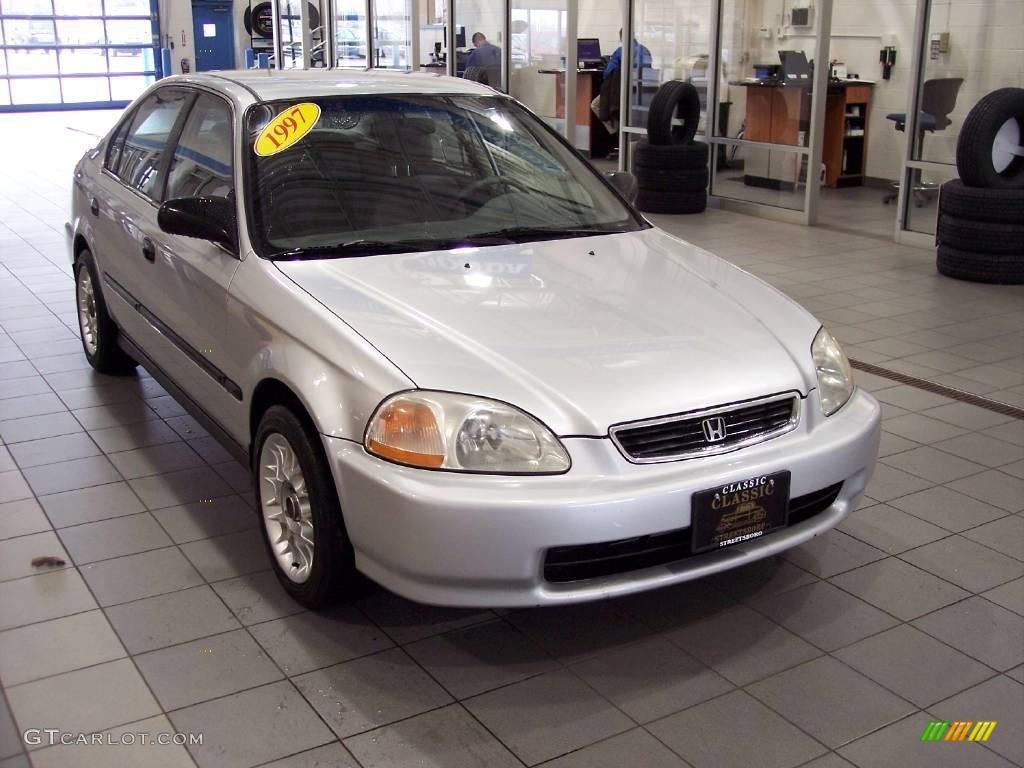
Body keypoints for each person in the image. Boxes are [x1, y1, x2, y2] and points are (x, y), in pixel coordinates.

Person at [591, 29, 653, 134]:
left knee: (595, 105)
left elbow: (608, 72)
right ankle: (621, 129)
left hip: (622, 92)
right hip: (641, 93)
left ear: (621, 38)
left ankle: (616, 131)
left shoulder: (621, 51)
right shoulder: (645, 50)